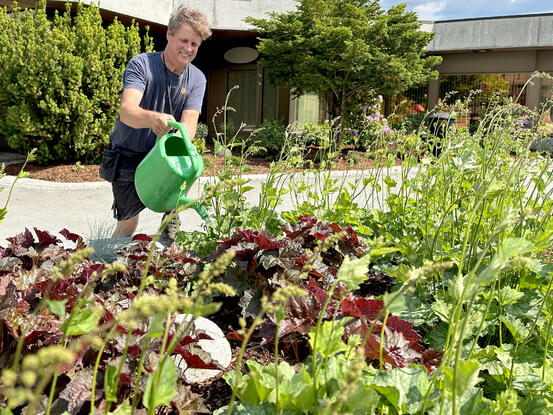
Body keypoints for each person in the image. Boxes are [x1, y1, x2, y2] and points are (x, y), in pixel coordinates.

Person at [100, 6, 211, 242]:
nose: (188, 49)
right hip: (127, 153)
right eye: (183, 40)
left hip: (165, 155)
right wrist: (153, 119)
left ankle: (170, 224)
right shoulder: (142, 65)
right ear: (169, 35)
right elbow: (127, 112)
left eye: (194, 44)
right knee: (128, 223)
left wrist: (180, 146)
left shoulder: (197, 78)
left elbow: (189, 126)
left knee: (187, 168)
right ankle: (108, 265)